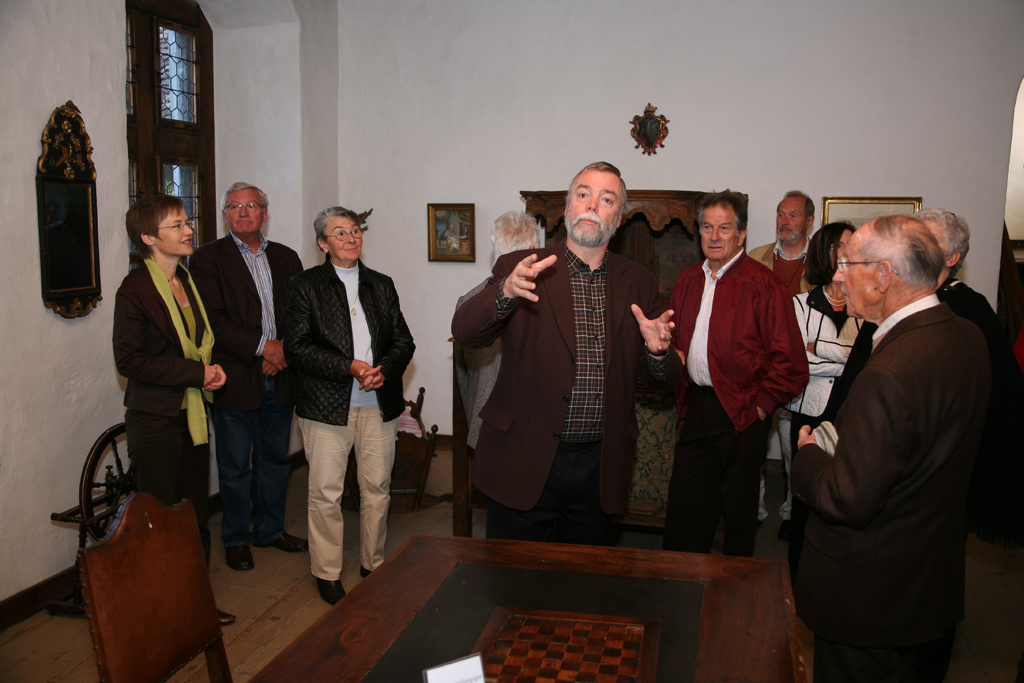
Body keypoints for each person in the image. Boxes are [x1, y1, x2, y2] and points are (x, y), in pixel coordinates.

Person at [791, 215, 991, 683]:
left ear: (883, 276)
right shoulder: (966, 336)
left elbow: (847, 497)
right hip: (924, 582)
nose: (839, 276)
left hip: (869, 594)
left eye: (848, 264)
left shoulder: (888, 371)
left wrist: (808, 455)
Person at [451, 161, 684, 545]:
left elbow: (662, 379)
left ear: (619, 219)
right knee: (513, 576)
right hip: (523, 456)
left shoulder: (638, 282)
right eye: (583, 194)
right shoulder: (522, 267)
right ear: (567, 207)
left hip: (600, 466)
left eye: (607, 199)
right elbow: (464, 331)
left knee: (584, 578)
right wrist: (505, 293)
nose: (592, 204)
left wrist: (657, 353)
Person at [910, 208, 1024, 683]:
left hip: (946, 469)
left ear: (953, 257)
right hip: (911, 466)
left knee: (933, 577)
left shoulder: (968, 308)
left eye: (930, 243)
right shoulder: (914, 300)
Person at [662, 190, 808, 558]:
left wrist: (761, 406)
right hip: (697, 408)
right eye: (707, 227)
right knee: (685, 511)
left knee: (738, 518)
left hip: (743, 414)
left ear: (741, 235)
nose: (713, 236)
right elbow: (678, 343)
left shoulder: (765, 286)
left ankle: (732, 589)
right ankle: (679, 585)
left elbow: (791, 362)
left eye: (724, 228)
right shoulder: (687, 281)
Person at [112, 194, 234, 625]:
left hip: (192, 414)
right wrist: (196, 373)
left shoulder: (185, 277)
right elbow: (130, 362)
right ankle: (162, 615)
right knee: (161, 521)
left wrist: (207, 372)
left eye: (186, 221)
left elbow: (199, 343)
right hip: (156, 420)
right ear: (148, 238)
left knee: (193, 516)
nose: (188, 230)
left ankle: (195, 605)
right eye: (177, 225)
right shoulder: (135, 290)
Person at [283, 206, 414, 605]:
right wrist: (349, 367)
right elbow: (296, 347)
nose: (351, 238)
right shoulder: (306, 285)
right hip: (326, 406)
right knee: (326, 492)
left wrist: (382, 370)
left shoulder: (381, 284)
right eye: (339, 233)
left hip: (377, 402)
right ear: (323, 244)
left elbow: (403, 341)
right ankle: (326, 571)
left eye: (355, 230)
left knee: (377, 487)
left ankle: (373, 563)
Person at [190, 183, 307, 573]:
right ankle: (237, 537)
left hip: (281, 375)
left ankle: (270, 530)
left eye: (251, 205)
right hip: (236, 377)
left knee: (274, 460)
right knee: (236, 465)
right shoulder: (207, 259)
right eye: (235, 206)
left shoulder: (287, 257)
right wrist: (262, 348)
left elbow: (301, 313)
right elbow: (211, 319)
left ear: (264, 213)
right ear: (225, 214)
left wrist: (281, 351)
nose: (243, 212)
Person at [783, 222, 862, 580]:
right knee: (806, 495)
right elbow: (799, 360)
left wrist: (822, 347)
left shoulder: (866, 303)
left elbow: (869, 356)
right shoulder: (800, 304)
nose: (849, 252)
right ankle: (798, 573)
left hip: (852, 411)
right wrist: (849, 358)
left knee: (846, 492)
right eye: (842, 245)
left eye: (853, 245)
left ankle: (837, 573)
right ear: (825, 252)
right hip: (810, 412)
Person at [748, 191, 816, 539]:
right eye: (780, 214)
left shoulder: (820, 263)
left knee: (794, 448)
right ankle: (755, 510)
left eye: (792, 215)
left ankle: (792, 512)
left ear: (809, 221)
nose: (784, 221)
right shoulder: (756, 258)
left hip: (797, 369)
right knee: (753, 446)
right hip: (759, 367)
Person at [454, 211, 541, 449]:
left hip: (483, 422)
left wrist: (472, 412)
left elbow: (462, 375)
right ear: (534, 249)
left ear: (496, 248)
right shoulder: (546, 300)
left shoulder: (468, 301)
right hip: (534, 428)